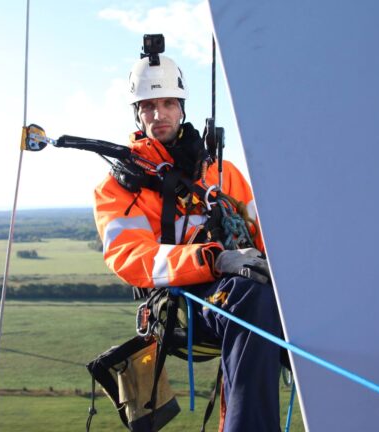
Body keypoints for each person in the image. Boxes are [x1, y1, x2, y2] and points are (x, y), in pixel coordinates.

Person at [93, 53, 288, 431]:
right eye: (148, 106)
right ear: (137, 114)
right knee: (251, 297)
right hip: (180, 303)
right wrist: (213, 260)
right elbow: (133, 259)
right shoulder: (119, 187)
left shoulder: (220, 171)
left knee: (270, 295)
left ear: (181, 109)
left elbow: (262, 236)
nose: (159, 114)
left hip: (235, 290)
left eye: (167, 103)